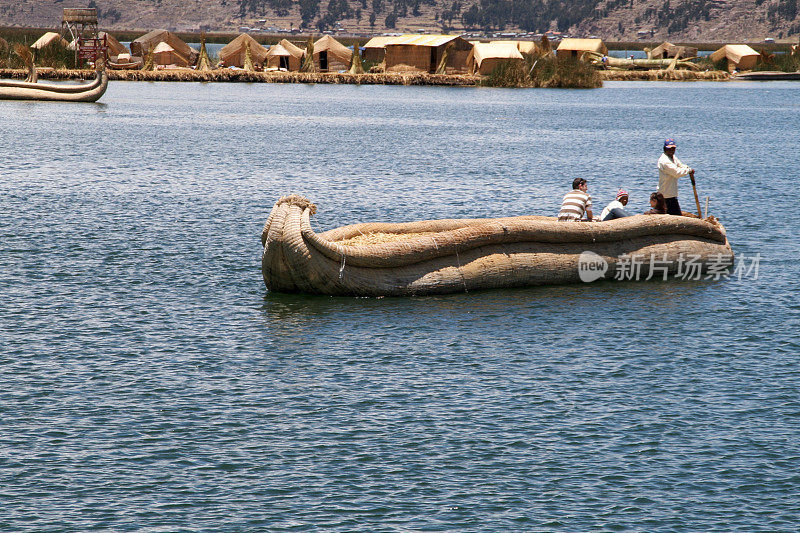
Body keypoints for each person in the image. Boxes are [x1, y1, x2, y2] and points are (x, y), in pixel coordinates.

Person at [658, 138, 694, 215]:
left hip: (672, 194)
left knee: (676, 215)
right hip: (666, 196)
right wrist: (689, 171)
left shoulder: (673, 157)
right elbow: (677, 172)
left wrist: (687, 168)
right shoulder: (664, 161)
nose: (671, 150)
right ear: (665, 149)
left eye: (673, 148)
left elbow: (680, 165)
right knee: (673, 216)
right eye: (669, 149)